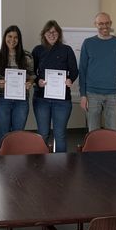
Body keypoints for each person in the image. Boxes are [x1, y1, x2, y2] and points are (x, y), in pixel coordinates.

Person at [31, 20, 78, 153]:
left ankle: (60, 166)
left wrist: (70, 80)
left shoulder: (66, 50)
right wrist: (38, 81)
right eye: (49, 31)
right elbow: (31, 72)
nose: (52, 34)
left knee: (60, 134)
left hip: (62, 100)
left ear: (59, 33)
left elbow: (74, 71)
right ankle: (40, 165)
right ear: (44, 34)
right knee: (43, 133)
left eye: (55, 31)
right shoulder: (37, 50)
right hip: (41, 99)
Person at [79, 12, 116, 132]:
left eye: (107, 23)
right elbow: (82, 70)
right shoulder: (88, 43)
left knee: (112, 132)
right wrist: (83, 95)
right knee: (93, 132)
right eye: (100, 23)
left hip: (113, 94)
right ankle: (93, 152)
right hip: (92, 94)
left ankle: (110, 152)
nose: (104, 26)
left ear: (111, 23)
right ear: (95, 25)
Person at [0, 25, 34, 147]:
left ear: (19, 39)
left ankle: (16, 164)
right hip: (2, 100)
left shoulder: (27, 56)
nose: (12, 40)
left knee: (18, 134)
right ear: (5, 37)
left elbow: (32, 75)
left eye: (16, 37)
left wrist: (30, 82)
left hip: (21, 100)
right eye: (9, 36)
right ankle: (1, 163)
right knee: (3, 133)